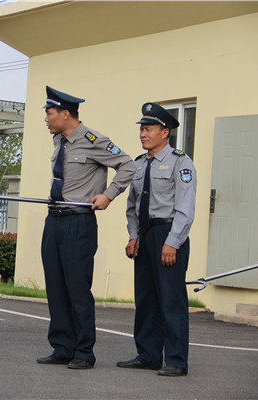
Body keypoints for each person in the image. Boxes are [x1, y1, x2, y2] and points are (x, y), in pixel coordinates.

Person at [37, 86, 136, 370]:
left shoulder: (93, 140)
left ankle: (83, 351)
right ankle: (62, 347)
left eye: (49, 113)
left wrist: (108, 195)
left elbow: (128, 165)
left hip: (78, 223)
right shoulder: (59, 141)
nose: (46, 118)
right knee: (56, 288)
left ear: (65, 114)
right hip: (54, 220)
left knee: (78, 289)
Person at [117, 102, 196, 377]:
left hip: (168, 234)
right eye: (141, 129)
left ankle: (176, 360)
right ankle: (148, 355)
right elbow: (132, 207)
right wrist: (133, 236)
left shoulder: (181, 162)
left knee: (171, 300)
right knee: (146, 299)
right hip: (145, 235)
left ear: (164, 132)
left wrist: (173, 242)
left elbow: (185, 208)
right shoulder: (139, 165)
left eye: (148, 129)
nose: (142, 133)